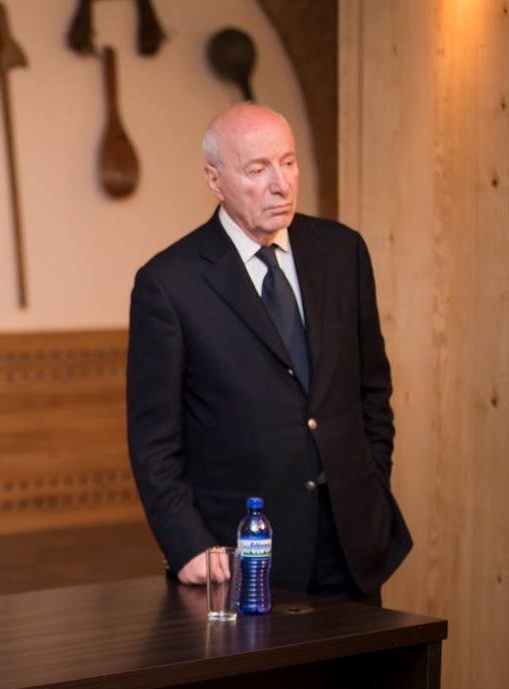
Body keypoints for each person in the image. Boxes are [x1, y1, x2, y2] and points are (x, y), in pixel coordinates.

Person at [126, 103, 411, 603]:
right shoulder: (169, 284)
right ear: (215, 180)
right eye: (257, 169)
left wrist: (369, 481)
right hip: (240, 555)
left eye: (288, 162)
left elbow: (372, 388)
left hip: (351, 544)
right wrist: (186, 543)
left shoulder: (343, 251)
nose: (281, 184)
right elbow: (154, 440)